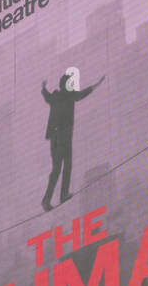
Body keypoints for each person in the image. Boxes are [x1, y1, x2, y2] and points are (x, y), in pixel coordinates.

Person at [40, 72, 104, 211]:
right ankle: (53, 198)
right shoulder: (63, 96)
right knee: (62, 167)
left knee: (62, 167)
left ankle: (54, 197)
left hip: (61, 137)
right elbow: (49, 96)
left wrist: (43, 88)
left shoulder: (62, 96)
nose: (72, 86)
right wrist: (43, 88)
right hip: (60, 136)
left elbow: (48, 96)